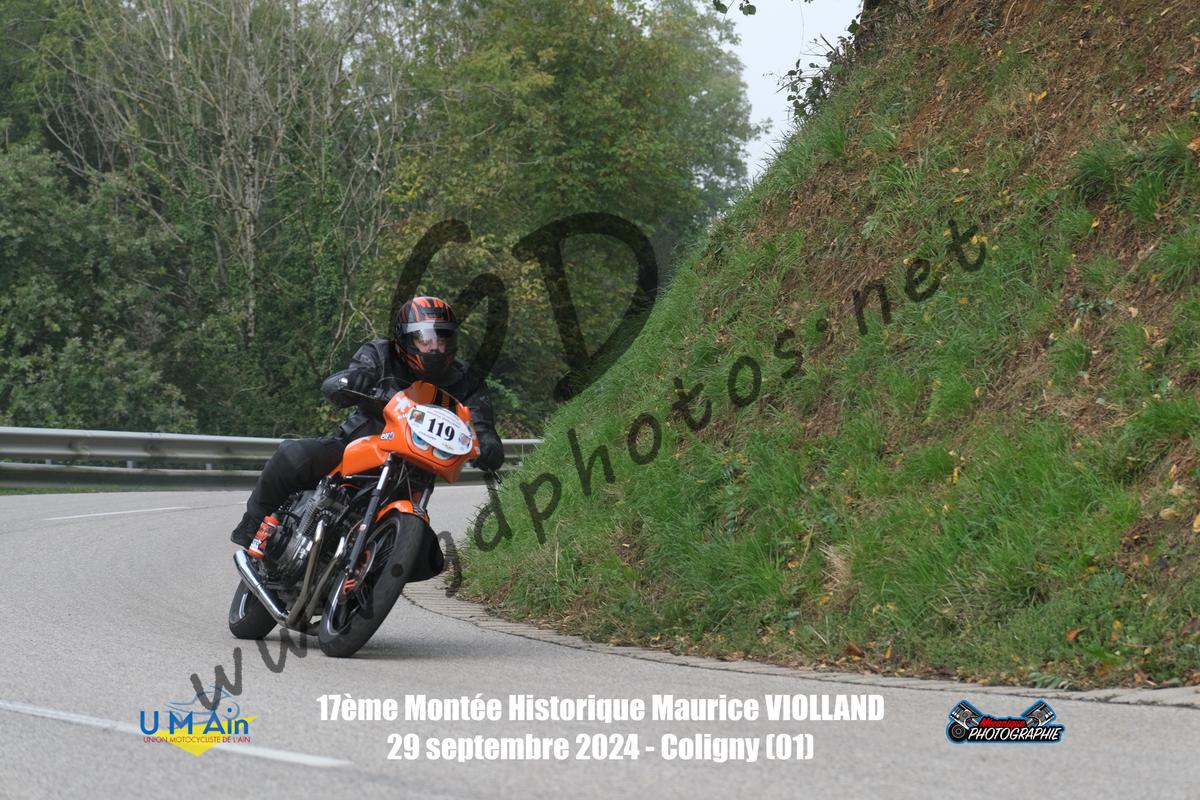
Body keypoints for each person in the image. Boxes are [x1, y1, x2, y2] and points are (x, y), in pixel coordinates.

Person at [230, 295, 505, 548]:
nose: (435, 347)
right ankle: (251, 525)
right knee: (293, 455)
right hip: (358, 445)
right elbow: (339, 382)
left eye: (441, 339)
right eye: (425, 339)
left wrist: (488, 442)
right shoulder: (381, 354)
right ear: (406, 340)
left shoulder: (466, 379)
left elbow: (480, 421)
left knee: (429, 554)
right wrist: (353, 380)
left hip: (415, 473)